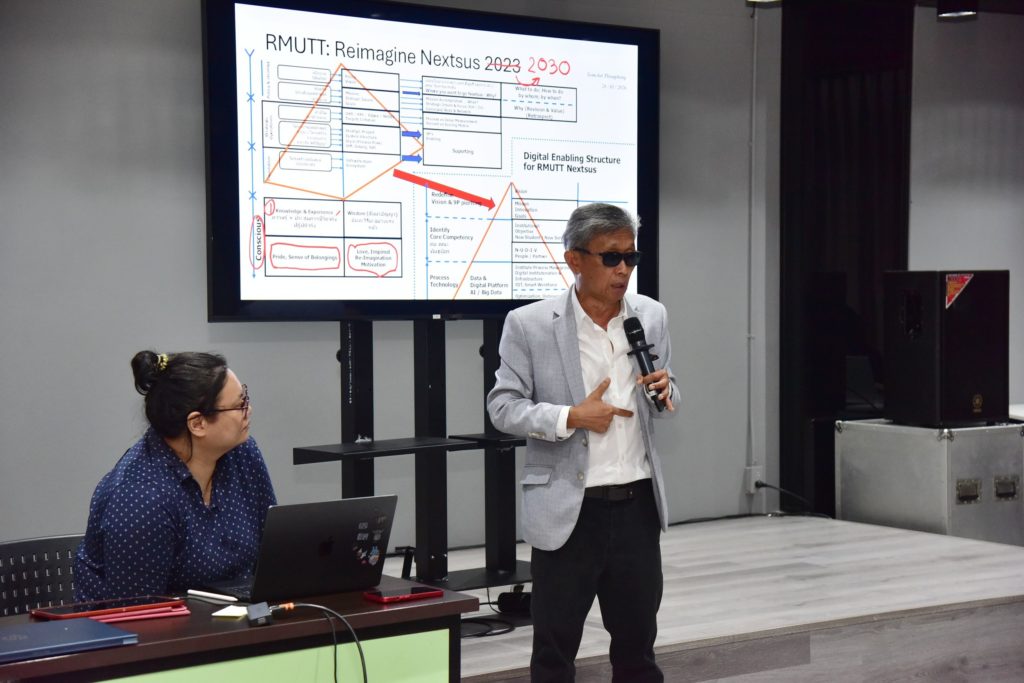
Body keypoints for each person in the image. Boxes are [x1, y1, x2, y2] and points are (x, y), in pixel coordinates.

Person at [487, 203, 678, 682]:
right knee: (554, 654)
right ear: (574, 259)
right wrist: (570, 416)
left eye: (631, 258)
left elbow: (667, 388)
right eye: (611, 258)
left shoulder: (650, 316)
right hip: (568, 511)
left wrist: (667, 390)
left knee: (638, 651)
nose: (623, 270)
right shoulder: (530, 323)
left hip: (637, 505)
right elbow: (503, 407)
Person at [74, 351, 277, 600]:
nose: (249, 410)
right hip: (158, 622)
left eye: (245, 396)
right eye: (240, 404)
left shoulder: (242, 454)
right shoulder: (140, 497)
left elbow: (273, 553)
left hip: (236, 615)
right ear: (197, 424)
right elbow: (139, 612)